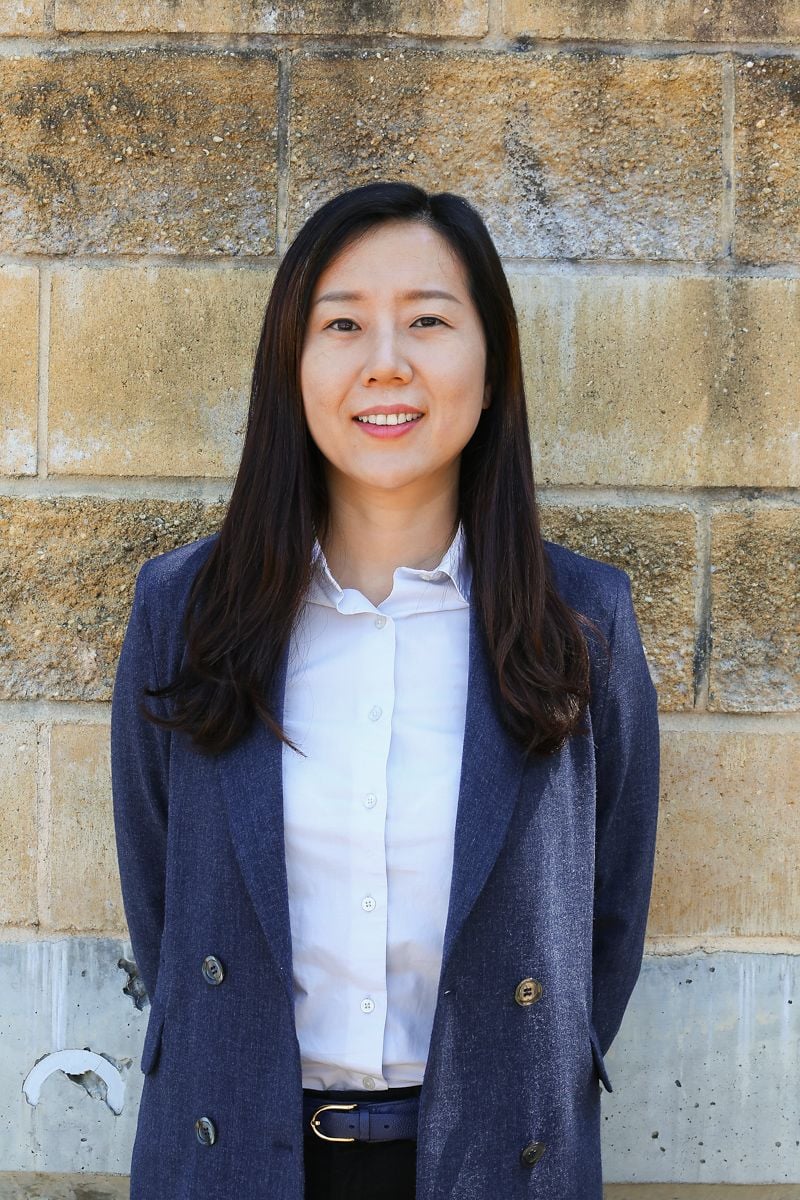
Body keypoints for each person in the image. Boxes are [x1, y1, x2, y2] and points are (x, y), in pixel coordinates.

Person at [111, 180, 660, 1200]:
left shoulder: (583, 622)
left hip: (498, 1159)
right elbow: (166, 904)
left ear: (490, 369)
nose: (386, 362)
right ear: (292, 365)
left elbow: (607, 918)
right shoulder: (184, 612)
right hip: (232, 1150)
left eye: (428, 321)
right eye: (343, 324)